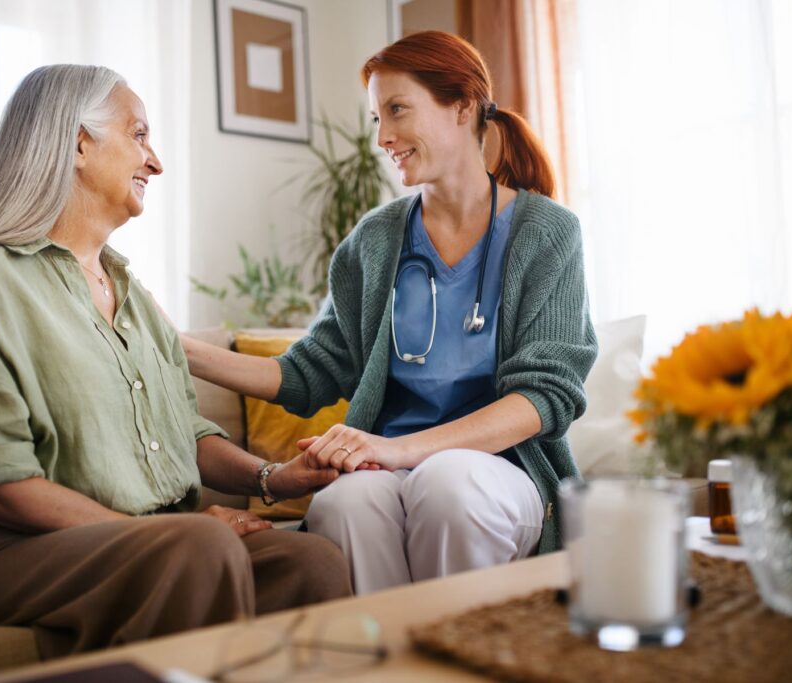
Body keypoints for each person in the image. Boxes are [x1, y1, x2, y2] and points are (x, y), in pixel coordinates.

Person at [0, 64, 351, 659]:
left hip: (148, 542)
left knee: (308, 561)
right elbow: (1, 488)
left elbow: (183, 432)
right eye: (139, 135)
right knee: (197, 550)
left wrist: (272, 479)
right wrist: (160, 532)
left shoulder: (129, 289)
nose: (155, 161)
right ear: (79, 144)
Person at [183, 31, 597, 594]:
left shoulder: (546, 233)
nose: (383, 137)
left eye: (397, 110)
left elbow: (546, 395)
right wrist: (178, 349)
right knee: (347, 501)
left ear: (462, 106)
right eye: (377, 118)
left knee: (449, 483)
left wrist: (399, 450)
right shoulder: (375, 241)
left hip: (500, 475)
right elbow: (309, 372)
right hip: (387, 467)